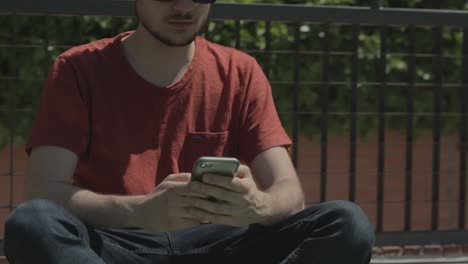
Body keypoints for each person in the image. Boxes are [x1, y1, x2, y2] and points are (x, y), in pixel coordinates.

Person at [3, 0, 375, 263]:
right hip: (114, 243)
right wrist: (140, 212)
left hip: (221, 244)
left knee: (346, 223)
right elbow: (43, 191)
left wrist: (255, 206)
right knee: (32, 222)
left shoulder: (240, 71)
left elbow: (289, 192)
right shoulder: (77, 69)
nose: (183, 6)